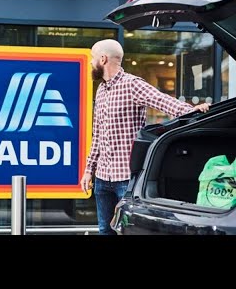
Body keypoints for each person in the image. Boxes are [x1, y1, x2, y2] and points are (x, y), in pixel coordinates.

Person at [81, 39, 210, 235]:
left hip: (125, 178)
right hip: (102, 178)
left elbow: (162, 101)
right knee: (104, 230)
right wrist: (89, 170)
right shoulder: (101, 90)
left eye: (92, 58)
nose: (91, 62)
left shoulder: (132, 85)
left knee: (128, 231)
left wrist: (191, 111)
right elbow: (97, 134)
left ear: (103, 59)